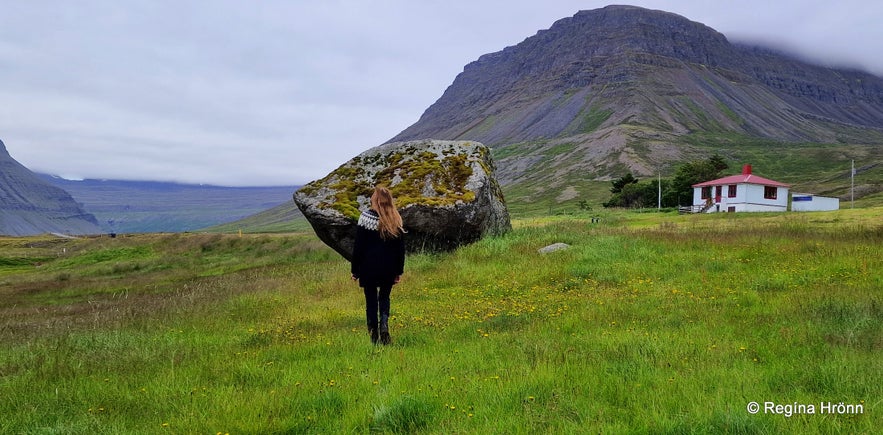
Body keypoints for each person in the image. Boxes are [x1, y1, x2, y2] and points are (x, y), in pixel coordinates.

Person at [351, 186, 406, 345]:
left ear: (375, 200)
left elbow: (358, 247)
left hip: (368, 267)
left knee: (370, 300)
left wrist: (355, 270)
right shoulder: (395, 218)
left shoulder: (365, 217)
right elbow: (400, 250)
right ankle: (384, 326)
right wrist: (398, 271)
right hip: (388, 268)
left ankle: (373, 333)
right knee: (384, 297)